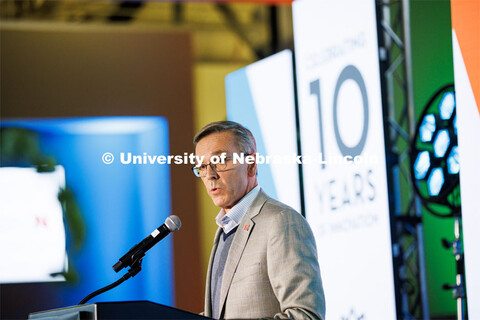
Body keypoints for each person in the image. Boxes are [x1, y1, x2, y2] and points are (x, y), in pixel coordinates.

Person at [193, 121, 325, 320]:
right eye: (201, 167)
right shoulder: (224, 230)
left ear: (251, 164)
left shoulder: (281, 222)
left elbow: (305, 314)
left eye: (220, 161)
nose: (210, 175)